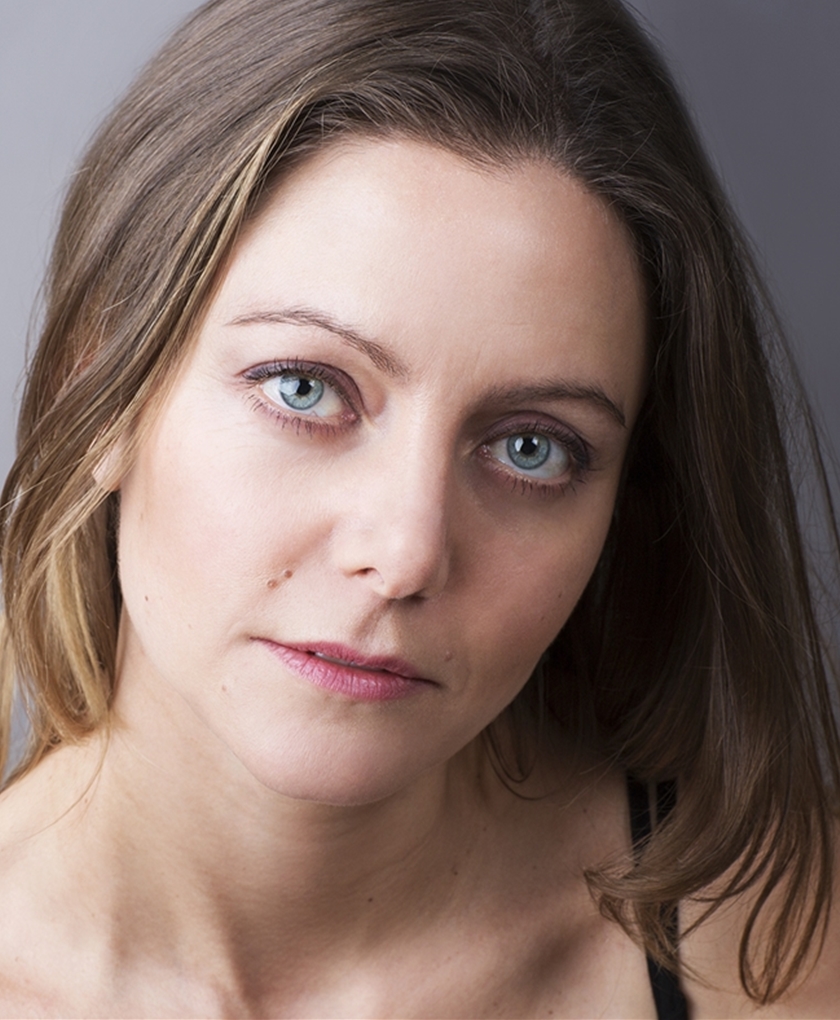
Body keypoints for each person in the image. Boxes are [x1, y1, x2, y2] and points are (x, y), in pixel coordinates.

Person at [0, 0, 838, 1015]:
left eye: (532, 449)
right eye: (305, 389)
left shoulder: (770, 939)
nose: (406, 553)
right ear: (95, 392)